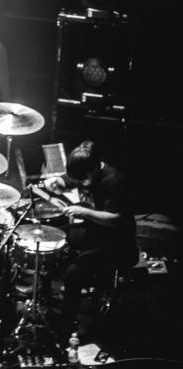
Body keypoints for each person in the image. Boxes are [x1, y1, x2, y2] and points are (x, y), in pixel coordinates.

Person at [57, 140, 137, 337]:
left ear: (94, 168)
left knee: (73, 274)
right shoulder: (89, 171)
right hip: (98, 232)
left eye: (84, 177)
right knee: (55, 236)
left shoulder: (114, 181)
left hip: (117, 243)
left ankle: (66, 323)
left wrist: (84, 212)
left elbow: (115, 219)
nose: (82, 181)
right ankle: (57, 296)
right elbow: (74, 179)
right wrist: (59, 181)